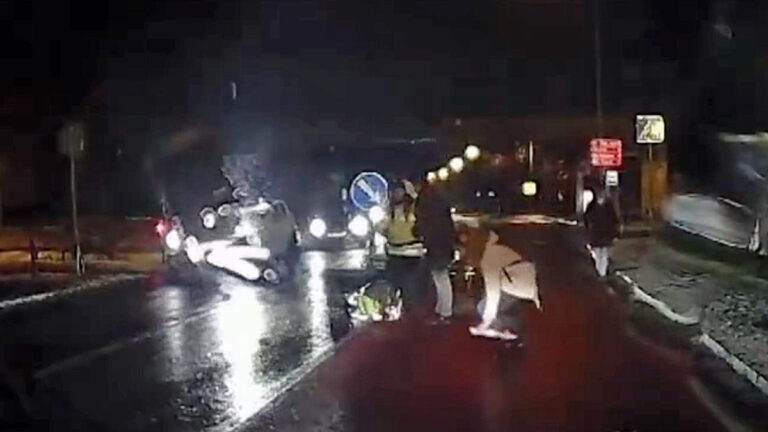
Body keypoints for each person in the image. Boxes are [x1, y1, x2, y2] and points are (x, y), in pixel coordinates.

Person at [460, 225, 541, 340]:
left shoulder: (488, 258)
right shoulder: (496, 248)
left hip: (518, 285)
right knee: (491, 301)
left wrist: (486, 321)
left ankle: (506, 329)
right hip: (524, 281)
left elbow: (493, 291)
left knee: (482, 306)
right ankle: (505, 327)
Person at [414, 182, 456, 323]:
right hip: (443, 245)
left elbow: (424, 225)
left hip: (436, 246)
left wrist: (419, 232)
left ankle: (445, 312)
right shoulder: (441, 205)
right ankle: (442, 308)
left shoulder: (427, 206)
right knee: (441, 278)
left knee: (441, 278)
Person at [384, 180, 425, 311]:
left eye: (400, 190)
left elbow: (421, 204)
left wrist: (411, 189)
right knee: (398, 284)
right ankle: (399, 311)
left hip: (411, 253)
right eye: (395, 191)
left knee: (409, 287)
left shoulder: (414, 208)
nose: (397, 193)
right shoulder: (390, 209)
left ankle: (410, 315)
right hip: (394, 252)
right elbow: (385, 227)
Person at [584, 187, 620, 278]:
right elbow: (586, 218)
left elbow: (614, 221)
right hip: (597, 234)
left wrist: (615, 234)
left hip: (605, 234)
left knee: (603, 254)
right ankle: (600, 273)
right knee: (598, 254)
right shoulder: (593, 206)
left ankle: (601, 274)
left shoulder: (607, 207)